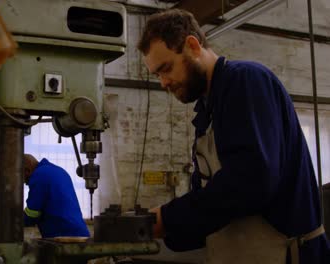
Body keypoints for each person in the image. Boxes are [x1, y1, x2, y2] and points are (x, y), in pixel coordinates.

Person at [137, 9, 330, 264]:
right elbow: (211, 205)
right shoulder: (207, 113)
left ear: (193, 46)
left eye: (166, 68)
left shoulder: (246, 81)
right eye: (157, 75)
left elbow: (251, 180)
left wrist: (167, 218)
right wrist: (161, 230)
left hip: (287, 255)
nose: (163, 83)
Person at [23, 154, 90, 238]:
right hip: (80, 233)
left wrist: (14, 222)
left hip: (62, 235)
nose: (25, 183)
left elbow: (32, 213)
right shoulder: (58, 170)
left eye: (24, 179)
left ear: (27, 170)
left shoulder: (38, 176)